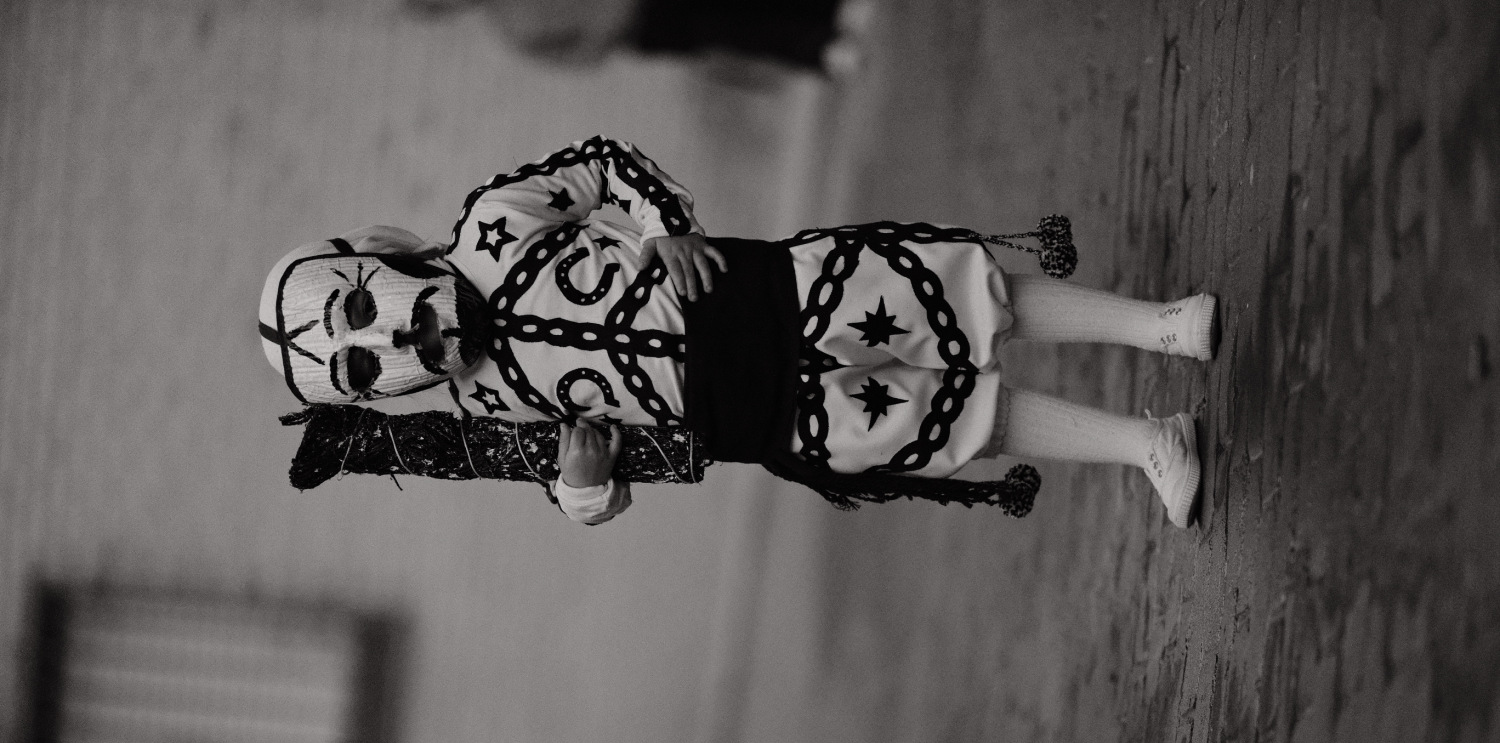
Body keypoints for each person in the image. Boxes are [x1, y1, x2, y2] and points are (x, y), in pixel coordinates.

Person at [259, 135, 1213, 527]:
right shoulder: (480, 410)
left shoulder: (492, 222)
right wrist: (582, 486)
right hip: (751, 415)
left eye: (361, 313)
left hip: (759, 293)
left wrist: (665, 226)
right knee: (952, 425)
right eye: (364, 369)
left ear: (370, 261)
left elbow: (602, 165)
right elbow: (560, 485)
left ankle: (1158, 325)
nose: (406, 345)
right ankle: (1145, 444)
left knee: (960, 300)